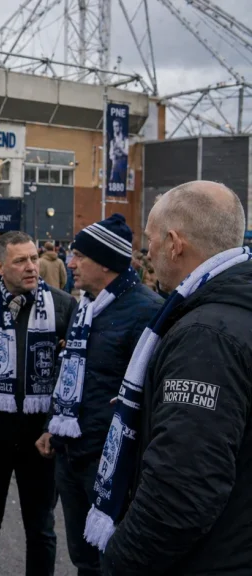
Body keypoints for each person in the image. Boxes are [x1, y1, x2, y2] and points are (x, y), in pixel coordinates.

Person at [94, 182, 252, 575]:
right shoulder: (232, 312)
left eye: (149, 240)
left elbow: (182, 489)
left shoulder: (206, 335)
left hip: (213, 558)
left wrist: (118, 562)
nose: (146, 254)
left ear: (174, 244)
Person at [33, 215, 162, 576]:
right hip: (71, 454)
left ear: (105, 262)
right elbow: (70, 373)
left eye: (79, 256)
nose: (70, 263)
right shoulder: (88, 304)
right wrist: (52, 426)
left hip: (110, 464)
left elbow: (149, 397)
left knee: (113, 560)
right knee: (84, 558)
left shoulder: (146, 312)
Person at [0, 231, 77, 576]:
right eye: (20, 260)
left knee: (40, 527)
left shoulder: (62, 305)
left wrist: (53, 425)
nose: (31, 267)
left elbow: (71, 373)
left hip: (39, 434)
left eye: (34, 258)